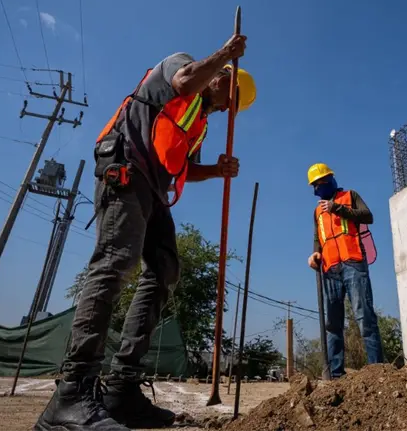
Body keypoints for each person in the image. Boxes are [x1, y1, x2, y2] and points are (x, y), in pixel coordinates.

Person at [35, 33, 256, 431]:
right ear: (226, 77)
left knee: (165, 268)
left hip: (152, 188)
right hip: (124, 165)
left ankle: (121, 388)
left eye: (233, 109)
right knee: (116, 261)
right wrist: (226, 52)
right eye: (231, 100)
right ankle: (70, 395)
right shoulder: (181, 64)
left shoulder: (201, 122)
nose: (226, 110)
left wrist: (216, 171)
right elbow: (185, 81)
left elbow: (185, 168)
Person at [306, 163, 384, 378]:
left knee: (364, 317)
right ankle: (335, 374)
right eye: (314, 185)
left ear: (330, 179)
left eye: (320, 182)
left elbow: (368, 216)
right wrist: (315, 254)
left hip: (354, 263)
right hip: (330, 269)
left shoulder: (350, 196)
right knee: (332, 324)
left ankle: (377, 371)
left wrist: (337, 208)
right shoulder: (317, 211)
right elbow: (318, 237)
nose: (317, 188)